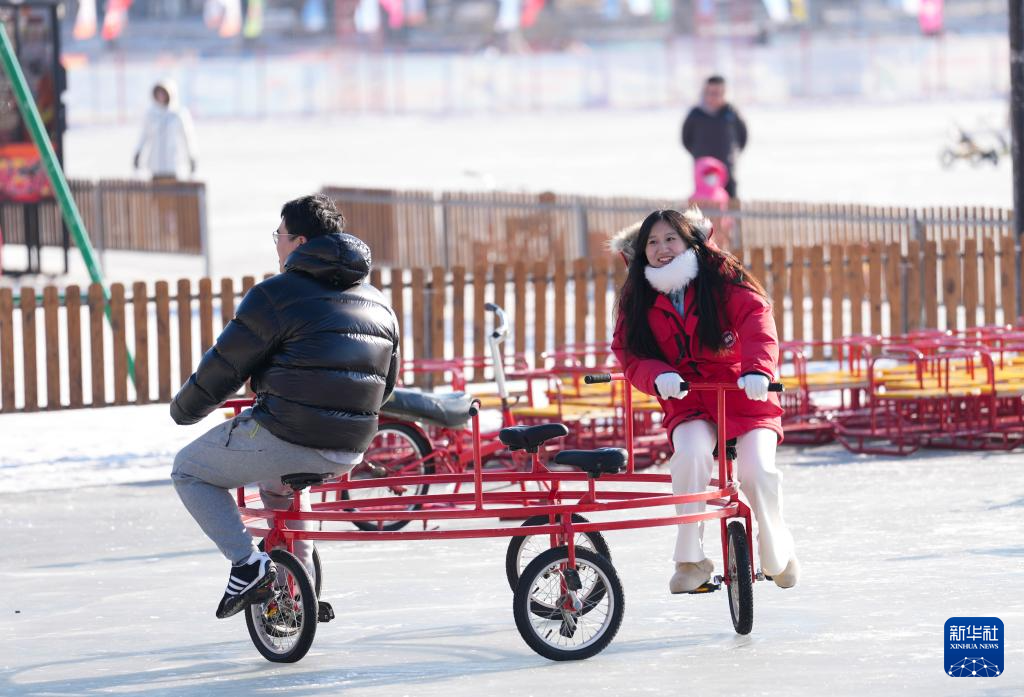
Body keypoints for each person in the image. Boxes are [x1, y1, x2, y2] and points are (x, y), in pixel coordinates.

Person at [170, 194, 400, 619]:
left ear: (299, 241)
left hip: (288, 435)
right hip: (350, 448)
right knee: (282, 486)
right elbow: (385, 387)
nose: (276, 244)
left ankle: (247, 565)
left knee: (188, 470)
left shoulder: (275, 295)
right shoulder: (378, 301)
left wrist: (184, 410)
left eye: (278, 235)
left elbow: (225, 366)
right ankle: (301, 587)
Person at [610, 207, 798, 594]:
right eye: (652, 242)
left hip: (743, 393)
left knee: (756, 471)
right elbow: (630, 353)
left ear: (689, 241)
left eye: (671, 239)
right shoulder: (637, 296)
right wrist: (657, 374)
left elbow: (757, 320)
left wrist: (758, 370)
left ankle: (776, 543)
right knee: (690, 457)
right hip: (688, 400)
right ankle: (690, 559)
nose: (662, 248)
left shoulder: (720, 278)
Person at [681, 75, 747, 199]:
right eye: (711, 93)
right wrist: (699, 155)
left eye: (718, 93)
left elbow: (743, 137)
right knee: (704, 201)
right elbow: (686, 139)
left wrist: (732, 155)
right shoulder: (696, 114)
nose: (714, 97)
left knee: (731, 201)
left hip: (727, 168)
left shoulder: (731, 112)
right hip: (704, 170)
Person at [133, 80, 198, 181]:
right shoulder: (151, 114)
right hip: (155, 165)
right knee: (156, 189)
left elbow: (187, 137)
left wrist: (191, 156)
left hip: (173, 165)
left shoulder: (178, 114)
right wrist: (138, 152)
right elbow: (144, 136)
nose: (161, 97)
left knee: (171, 189)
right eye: (158, 94)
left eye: (163, 94)